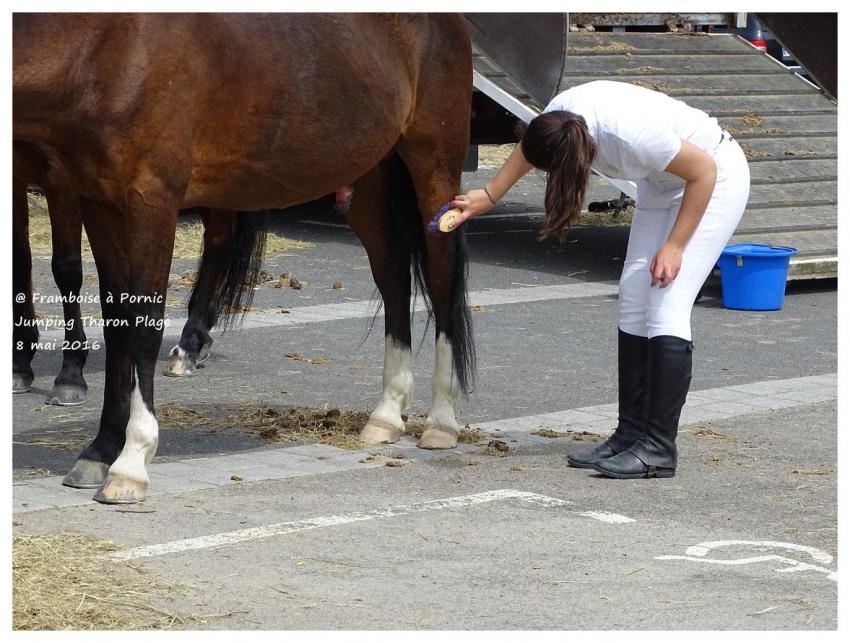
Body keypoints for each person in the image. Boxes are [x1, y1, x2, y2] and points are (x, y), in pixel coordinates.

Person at [450, 80, 750, 479]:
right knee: (633, 297)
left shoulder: (630, 135)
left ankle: (658, 450)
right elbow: (530, 147)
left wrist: (675, 245)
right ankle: (630, 434)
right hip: (660, 184)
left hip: (713, 178)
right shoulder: (558, 119)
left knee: (666, 301)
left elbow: (704, 172)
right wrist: (489, 194)